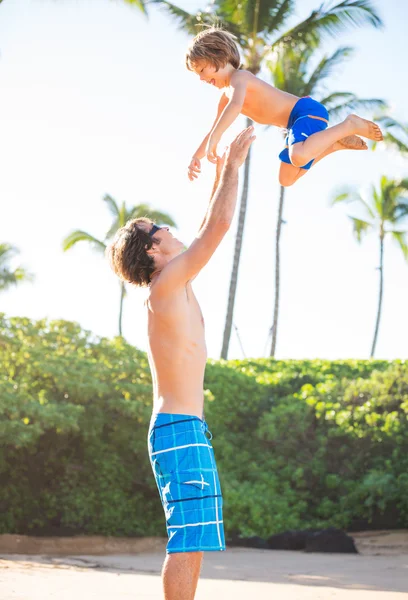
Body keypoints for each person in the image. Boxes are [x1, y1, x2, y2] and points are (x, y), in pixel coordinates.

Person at [106, 126, 255, 600]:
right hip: (178, 429)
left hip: (184, 428)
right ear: (151, 250)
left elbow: (207, 225)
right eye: (158, 229)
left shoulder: (174, 280)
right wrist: (230, 166)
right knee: (189, 539)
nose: (168, 229)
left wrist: (219, 175)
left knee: (194, 539)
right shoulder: (166, 287)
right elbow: (217, 230)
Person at [186, 27, 383, 188]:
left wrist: (216, 138)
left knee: (297, 155)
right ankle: (335, 143)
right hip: (293, 125)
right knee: (286, 179)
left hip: (305, 111)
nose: (202, 79)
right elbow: (214, 127)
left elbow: (236, 106)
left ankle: (349, 124)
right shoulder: (224, 97)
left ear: (218, 56)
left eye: (202, 70)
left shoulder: (240, 78)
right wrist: (197, 156)